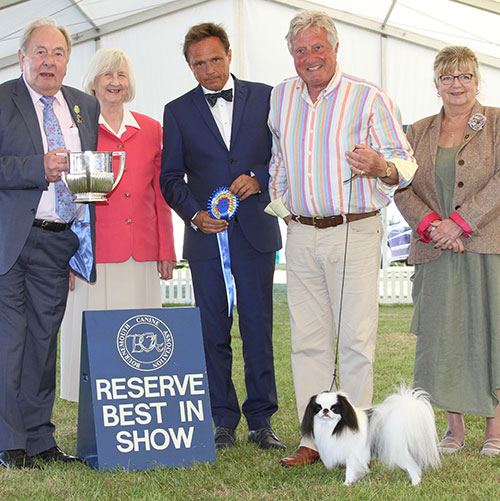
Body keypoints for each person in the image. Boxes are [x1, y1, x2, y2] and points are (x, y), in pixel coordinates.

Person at [266, 10, 417, 466]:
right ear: (291, 54)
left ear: (335, 49)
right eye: (300, 50)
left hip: (356, 228)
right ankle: (313, 441)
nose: (309, 58)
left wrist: (380, 167)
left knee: (355, 341)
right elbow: (277, 159)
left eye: (317, 48)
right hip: (302, 232)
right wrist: (285, 207)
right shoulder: (281, 97)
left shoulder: (369, 97)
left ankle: (354, 444)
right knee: (306, 341)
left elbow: (404, 164)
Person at [160, 22, 284, 450]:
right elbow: (170, 177)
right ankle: (221, 419)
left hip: (256, 234)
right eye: (199, 64)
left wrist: (260, 177)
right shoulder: (176, 111)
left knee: (257, 328)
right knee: (211, 329)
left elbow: (284, 154)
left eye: (215, 59)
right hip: (205, 240)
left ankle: (262, 419)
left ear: (229, 55)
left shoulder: (269, 96)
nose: (209, 70)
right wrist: (194, 214)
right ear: (189, 66)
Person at [0, 17, 99, 468]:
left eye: (57, 53)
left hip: (60, 241)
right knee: (11, 342)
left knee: (43, 342)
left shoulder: (84, 104)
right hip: (11, 242)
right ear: (22, 58)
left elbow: (88, 172)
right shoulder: (2, 100)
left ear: (67, 61)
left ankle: (40, 438)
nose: (49, 61)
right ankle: (8, 441)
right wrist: (36, 167)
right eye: (39, 52)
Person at [394, 46, 500, 457]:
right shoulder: (415, 132)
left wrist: (461, 221)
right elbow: (399, 186)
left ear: (477, 81)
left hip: (488, 247)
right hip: (435, 250)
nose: (457, 84)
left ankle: (495, 428)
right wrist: (432, 226)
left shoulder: (496, 123)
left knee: (492, 333)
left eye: (465, 76)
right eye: (448, 77)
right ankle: (453, 430)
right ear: (436, 84)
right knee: (443, 338)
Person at [59, 48, 177, 403]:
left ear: (130, 83)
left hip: (140, 252)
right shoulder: (78, 130)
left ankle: (137, 404)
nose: (114, 82)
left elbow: (160, 193)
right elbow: (68, 198)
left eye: (121, 75)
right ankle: (96, 411)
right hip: (91, 254)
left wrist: (166, 248)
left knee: (138, 338)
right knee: (93, 340)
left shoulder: (152, 129)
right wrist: (66, 254)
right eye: (107, 75)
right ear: (92, 83)